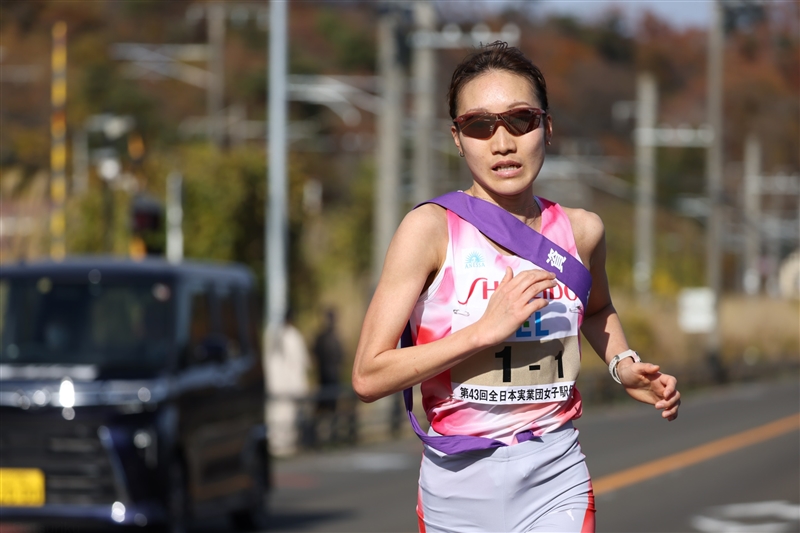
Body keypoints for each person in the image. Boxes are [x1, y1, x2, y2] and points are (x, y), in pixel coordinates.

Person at [352, 41, 681, 533]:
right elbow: (368, 376)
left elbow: (596, 309)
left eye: (520, 120)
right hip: (454, 490)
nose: (502, 142)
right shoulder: (430, 230)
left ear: (546, 127)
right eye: (480, 126)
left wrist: (623, 364)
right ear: (458, 139)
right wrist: (482, 332)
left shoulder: (582, 231)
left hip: (555, 474)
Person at [266, 308, 311, 457]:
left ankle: (278, 446)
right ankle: (285, 446)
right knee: (288, 417)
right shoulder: (293, 336)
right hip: (290, 385)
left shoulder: (274, 334)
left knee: (278, 416)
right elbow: (302, 362)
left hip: (276, 385)